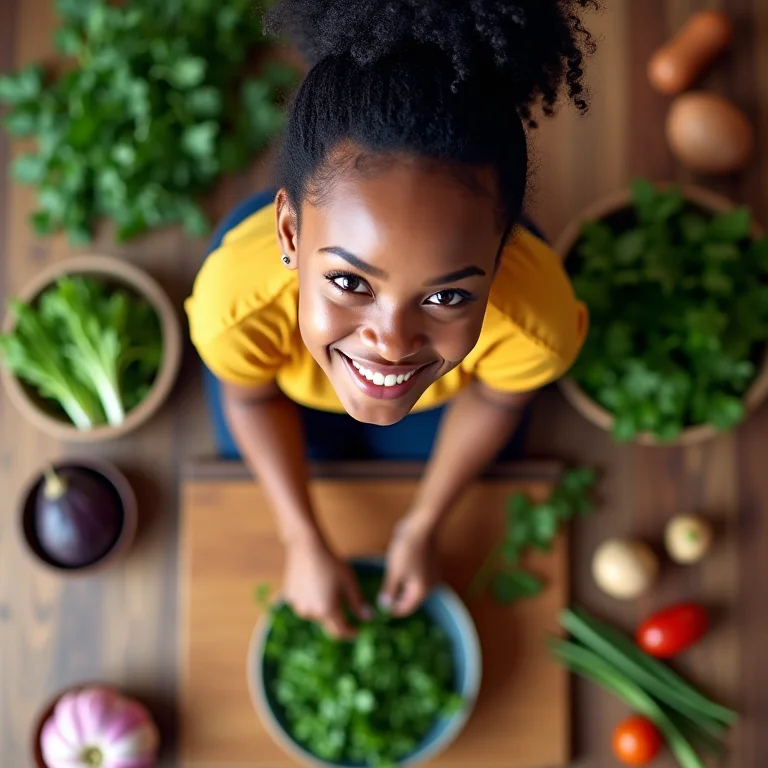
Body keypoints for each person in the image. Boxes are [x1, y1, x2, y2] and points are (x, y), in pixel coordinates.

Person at [185, 0, 595, 638]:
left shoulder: (536, 326)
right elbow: (248, 402)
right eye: (349, 282)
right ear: (290, 233)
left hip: (445, 394)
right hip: (282, 386)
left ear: (500, 252)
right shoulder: (234, 308)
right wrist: (302, 539)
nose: (392, 343)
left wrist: (423, 523)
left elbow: (498, 403)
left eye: (447, 296)